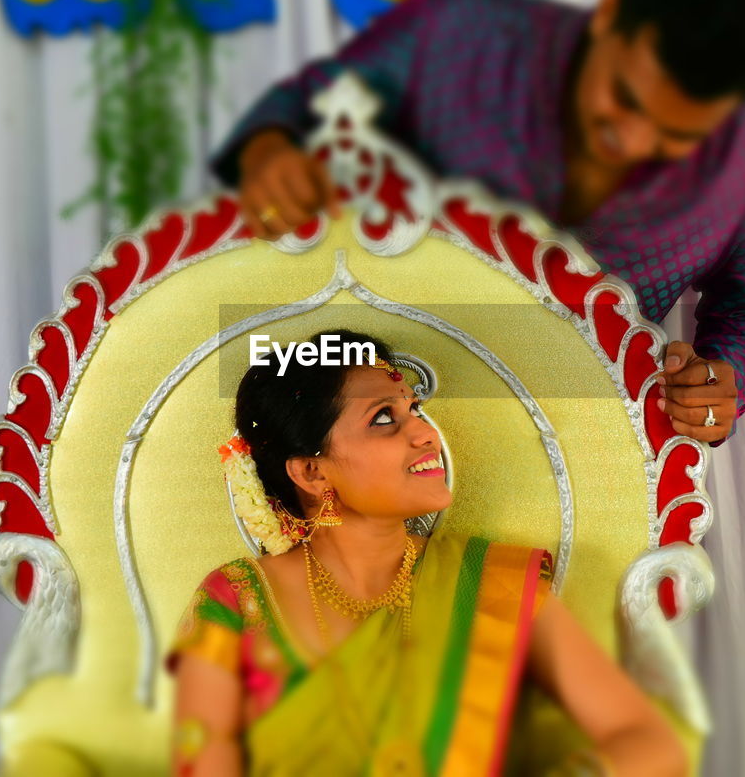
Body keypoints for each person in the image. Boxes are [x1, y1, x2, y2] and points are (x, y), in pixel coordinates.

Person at [210, 0, 745, 445]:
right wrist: (272, 149)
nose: (633, 142)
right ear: (607, 13)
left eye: (676, 136)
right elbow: (303, 104)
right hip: (375, 410)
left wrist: (714, 384)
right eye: (622, 97)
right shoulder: (454, 36)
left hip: (576, 450)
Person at [167, 331, 687, 776]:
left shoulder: (493, 584)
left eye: (414, 409)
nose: (425, 434)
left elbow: (649, 742)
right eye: (383, 418)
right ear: (312, 471)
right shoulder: (234, 602)